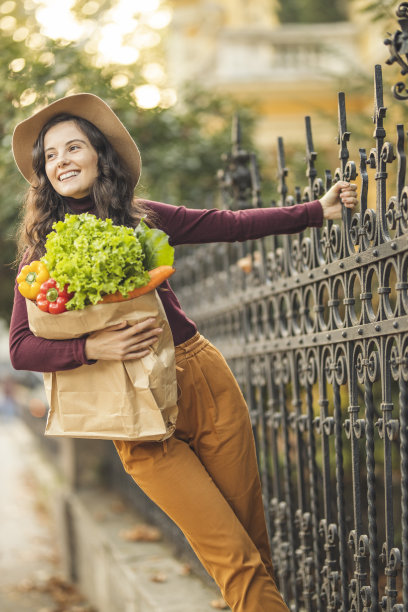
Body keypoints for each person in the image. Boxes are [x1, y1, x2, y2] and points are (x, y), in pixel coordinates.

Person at [9, 93, 358, 612]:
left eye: (73, 147)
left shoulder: (139, 217)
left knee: (250, 542)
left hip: (200, 375)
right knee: (232, 557)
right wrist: (91, 346)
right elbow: (21, 347)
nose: (62, 161)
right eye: (51, 156)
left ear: (99, 155)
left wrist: (314, 211)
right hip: (133, 412)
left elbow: (225, 223)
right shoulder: (42, 252)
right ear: (44, 174)